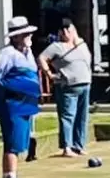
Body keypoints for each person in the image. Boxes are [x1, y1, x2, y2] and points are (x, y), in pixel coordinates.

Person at [0, 17, 41, 178]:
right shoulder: (7, 53)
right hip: (12, 105)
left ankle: (13, 173)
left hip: (26, 104)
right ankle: (9, 175)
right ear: (16, 37)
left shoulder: (28, 52)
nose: (30, 37)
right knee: (12, 144)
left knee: (19, 144)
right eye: (26, 34)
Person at [39, 18, 92, 157]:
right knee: (68, 116)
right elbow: (42, 58)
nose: (68, 32)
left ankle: (78, 145)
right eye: (65, 30)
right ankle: (67, 147)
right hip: (67, 86)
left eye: (70, 29)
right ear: (60, 32)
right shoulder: (56, 46)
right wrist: (49, 74)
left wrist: (76, 40)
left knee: (82, 117)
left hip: (85, 83)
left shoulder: (81, 44)